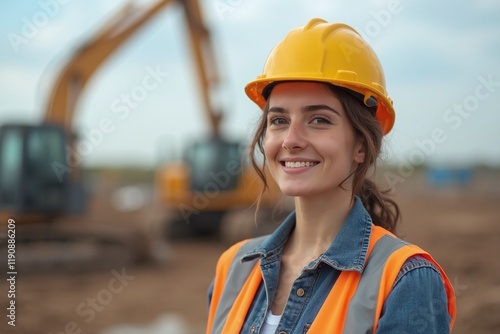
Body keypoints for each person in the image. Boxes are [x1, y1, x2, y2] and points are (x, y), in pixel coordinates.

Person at [206, 18, 456, 333]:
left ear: (361, 145)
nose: (291, 139)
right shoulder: (233, 268)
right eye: (279, 120)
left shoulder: (405, 279)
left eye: (319, 119)